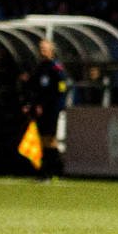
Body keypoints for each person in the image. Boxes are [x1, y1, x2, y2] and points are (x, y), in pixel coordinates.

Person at [26, 38, 70, 180]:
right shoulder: (39, 68)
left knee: (49, 139)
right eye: (41, 48)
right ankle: (50, 171)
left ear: (52, 50)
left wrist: (57, 108)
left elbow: (61, 89)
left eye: (45, 48)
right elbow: (35, 89)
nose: (42, 50)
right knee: (43, 140)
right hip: (40, 110)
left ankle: (54, 170)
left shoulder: (55, 68)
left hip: (51, 110)